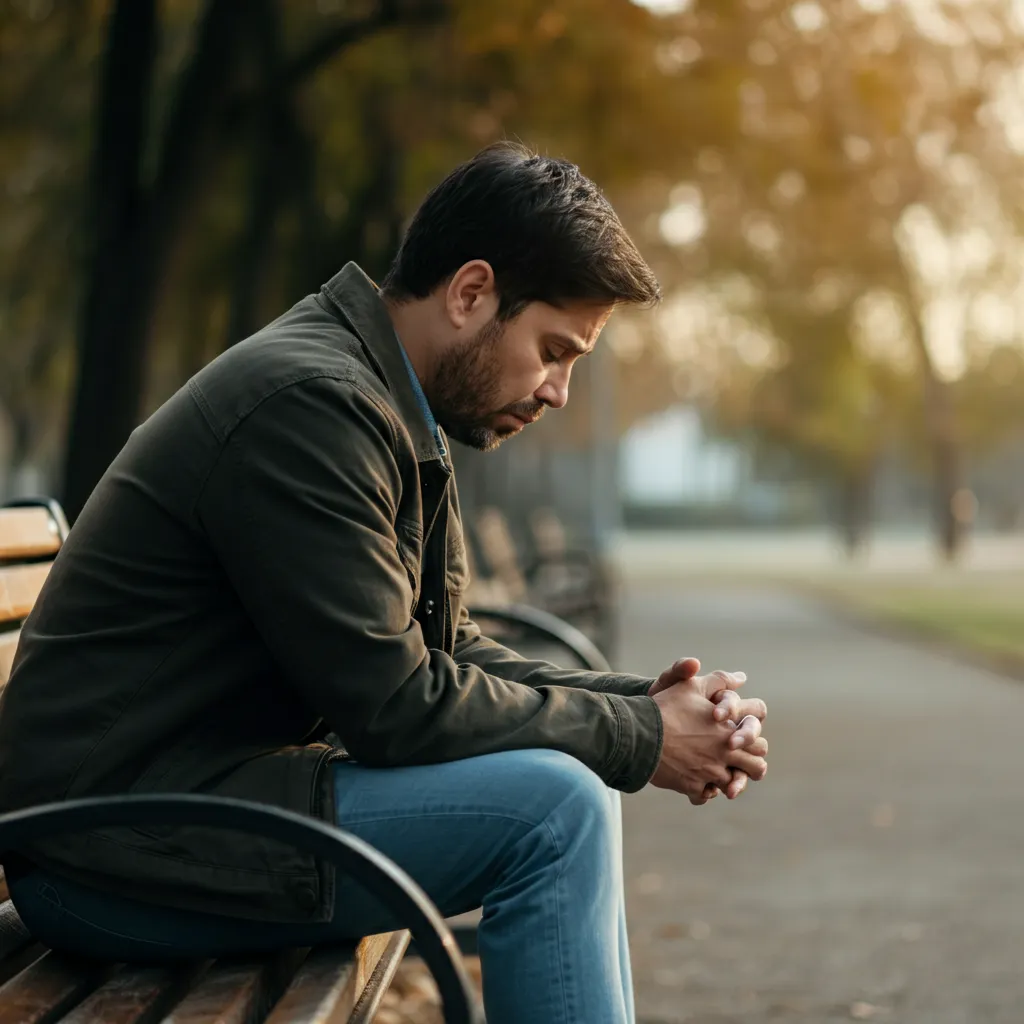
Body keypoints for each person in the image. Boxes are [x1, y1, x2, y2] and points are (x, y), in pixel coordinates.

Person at [0, 143, 768, 1024]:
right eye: (554, 351)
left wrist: (653, 706)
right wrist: (638, 733)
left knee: (569, 797)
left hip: (185, 809)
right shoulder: (311, 405)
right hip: (108, 850)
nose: (558, 390)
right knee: (556, 813)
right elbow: (398, 708)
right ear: (471, 292)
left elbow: (447, 652)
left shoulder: (387, 404)